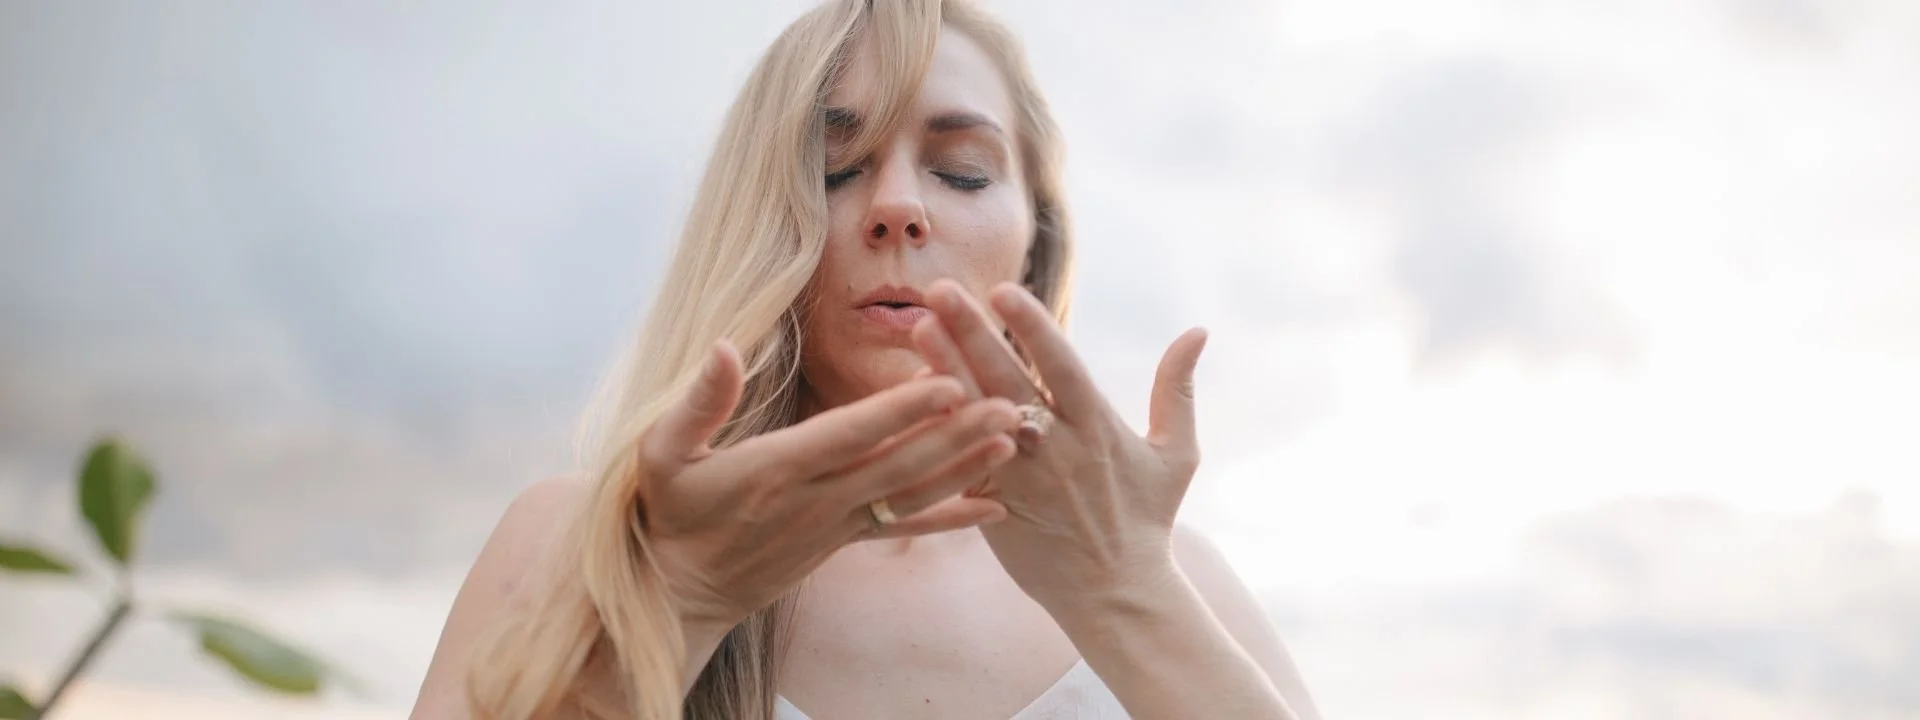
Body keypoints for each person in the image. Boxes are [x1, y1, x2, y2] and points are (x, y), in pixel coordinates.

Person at [411, 0, 1321, 717]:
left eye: (961, 170)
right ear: (757, 224)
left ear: (1036, 245)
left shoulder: (1170, 572)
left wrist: (1126, 590)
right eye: (834, 169)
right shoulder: (585, 543)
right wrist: (676, 604)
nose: (896, 207)